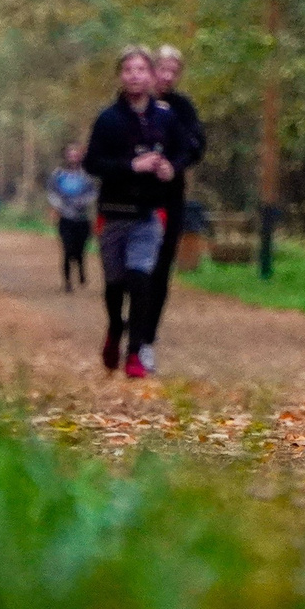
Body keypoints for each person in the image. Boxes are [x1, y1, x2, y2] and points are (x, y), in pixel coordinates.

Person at [84, 46, 184, 378]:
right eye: (128, 70)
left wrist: (171, 167)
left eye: (141, 69)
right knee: (116, 284)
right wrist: (131, 165)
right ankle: (115, 328)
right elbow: (92, 163)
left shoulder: (165, 118)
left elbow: (186, 149)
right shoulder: (108, 119)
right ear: (120, 76)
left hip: (149, 213)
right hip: (113, 213)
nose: (134, 76)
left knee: (141, 279)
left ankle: (134, 353)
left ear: (151, 75)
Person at [127, 44, 206, 372]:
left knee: (159, 270)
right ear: (150, 69)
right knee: (130, 270)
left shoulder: (182, 108)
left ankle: (145, 341)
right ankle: (125, 330)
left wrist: (174, 165)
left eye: (175, 72)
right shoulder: (131, 106)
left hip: (169, 198)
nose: (167, 76)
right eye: (163, 69)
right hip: (131, 198)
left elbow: (195, 146)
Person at [47, 143, 98, 291]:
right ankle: (67, 282)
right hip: (65, 217)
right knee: (67, 249)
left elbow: (93, 193)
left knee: (80, 249)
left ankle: (81, 269)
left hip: (83, 218)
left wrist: (83, 202)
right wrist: (59, 205)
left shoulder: (88, 175)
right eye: (71, 154)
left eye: (76, 154)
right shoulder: (58, 174)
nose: (73, 157)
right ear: (66, 156)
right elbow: (51, 192)